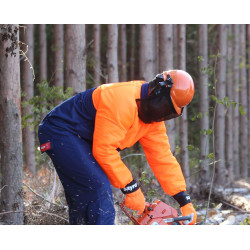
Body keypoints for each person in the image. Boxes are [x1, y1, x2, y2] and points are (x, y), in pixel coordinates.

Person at [38, 69, 197, 225]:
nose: (162, 113)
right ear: (157, 89)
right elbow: (104, 150)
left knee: (85, 203)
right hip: (60, 131)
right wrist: (131, 188)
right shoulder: (122, 99)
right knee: (98, 189)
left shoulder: (153, 122)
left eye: (168, 112)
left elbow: (162, 158)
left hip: (82, 140)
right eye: (164, 105)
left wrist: (183, 200)